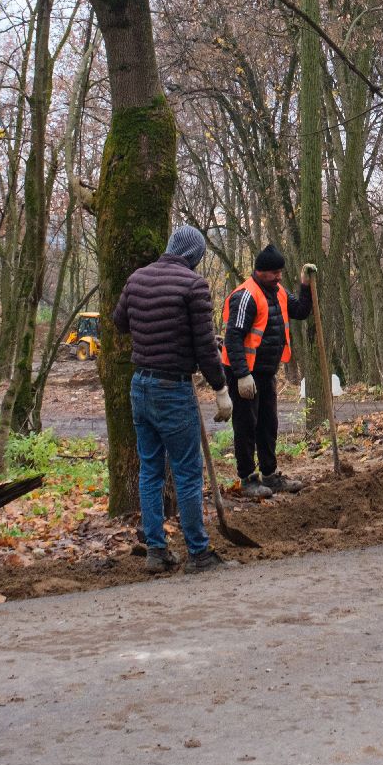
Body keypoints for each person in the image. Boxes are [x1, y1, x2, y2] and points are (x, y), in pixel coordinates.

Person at [114, 225, 236, 574]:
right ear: (194, 256)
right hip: (172, 388)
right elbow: (204, 348)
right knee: (186, 472)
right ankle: (198, 553)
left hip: (140, 385)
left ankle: (156, 551)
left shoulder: (137, 278)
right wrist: (221, 389)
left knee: (150, 470)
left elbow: (120, 321)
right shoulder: (193, 285)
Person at [219, 244, 313, 497]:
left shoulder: (278, 291)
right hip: (244, 374)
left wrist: (306, 285)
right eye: (274, 272)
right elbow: (233, 338)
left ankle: (270, 476)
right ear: (260, 271)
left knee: (268, 424)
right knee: (246, 425)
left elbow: (301, 312)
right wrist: (241, 375)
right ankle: (248, 479)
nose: (278, 276)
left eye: (280, 271)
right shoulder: (245, 296)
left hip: (265, 372)